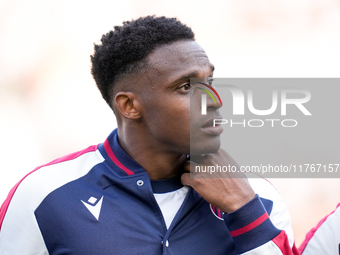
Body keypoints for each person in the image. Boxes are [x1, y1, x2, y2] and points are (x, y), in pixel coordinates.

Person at [0, 15, 299, 254]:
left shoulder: (260, 198)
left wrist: (244, 211)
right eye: (186, 87)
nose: (214, 100)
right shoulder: (43, 196)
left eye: (210, 81)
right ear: (129, 105)